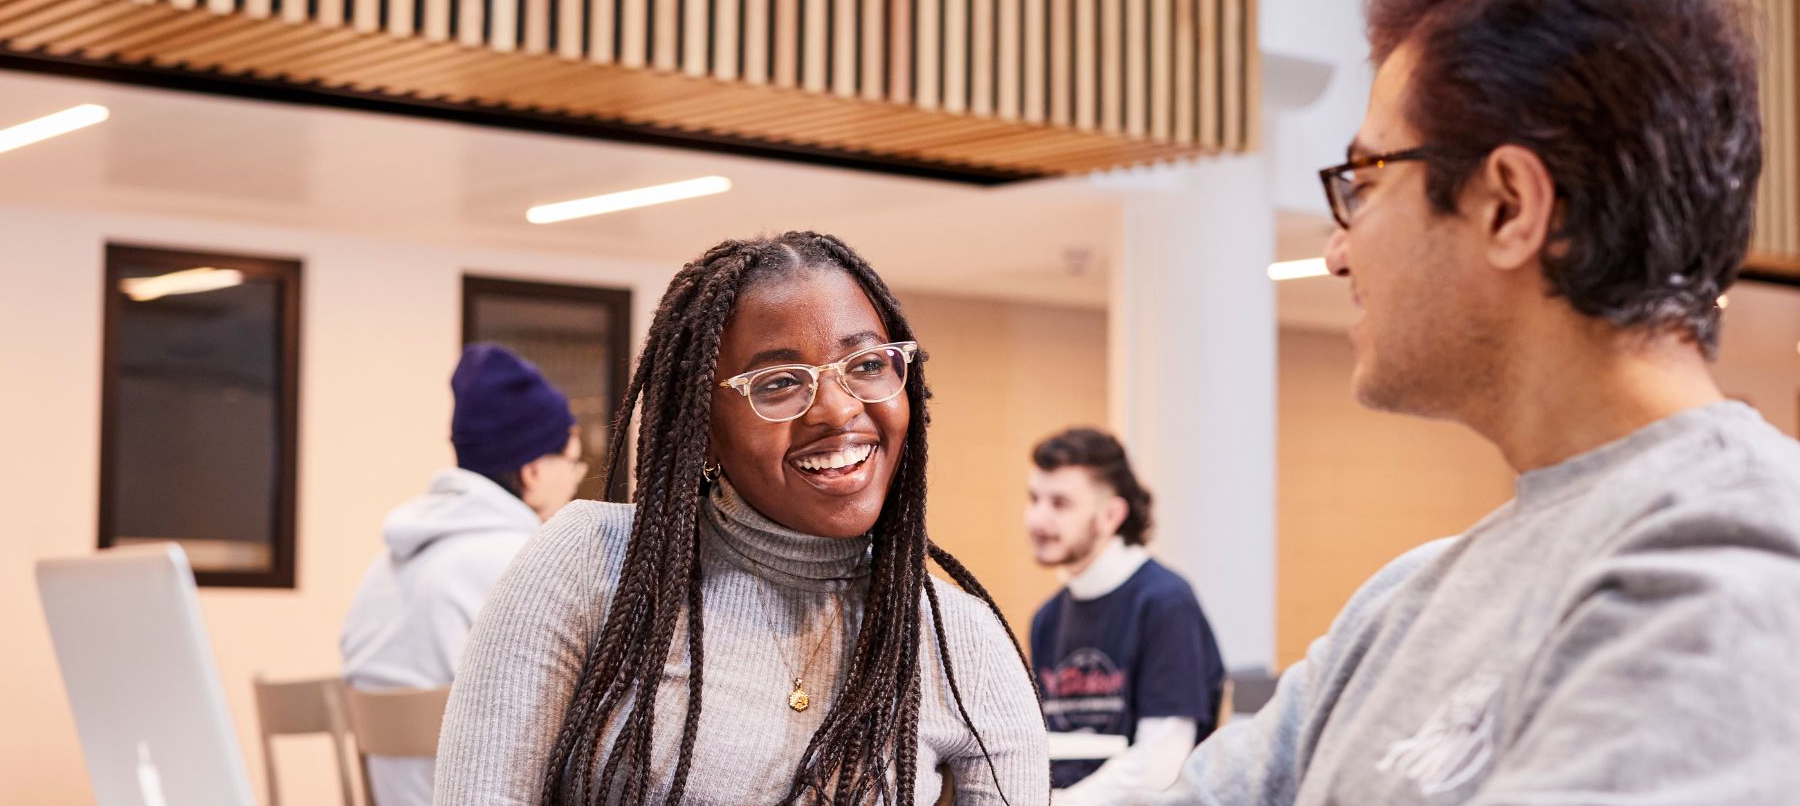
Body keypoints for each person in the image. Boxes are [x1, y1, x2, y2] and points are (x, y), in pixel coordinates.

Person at [1132, 0, 1800, 805]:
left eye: (1364, 181)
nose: (1337, 250)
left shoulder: (1732, 572)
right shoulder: (1403, 602)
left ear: (1508, 206)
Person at [433, 232, 1049, 805]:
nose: (838, 409)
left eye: (866, 366)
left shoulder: (959, 639)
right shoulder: (590, 564)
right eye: (779, 382)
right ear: (705, 428)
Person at [341, 343, 589, 806]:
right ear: (533, 471)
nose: (576, 478)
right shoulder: (524, 562)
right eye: (573, 460)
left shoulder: (384, 564)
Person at [1024, 427, 1223, 802]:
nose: (1036, 519)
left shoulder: (1166, 603)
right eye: (1034, 499)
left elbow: (1162, 763)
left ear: (1111, 515)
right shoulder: (1046, 618)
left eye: (1060, 503)